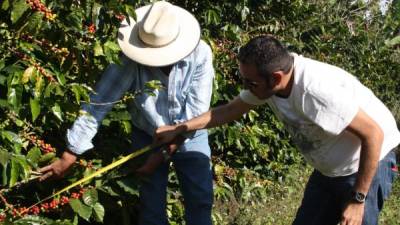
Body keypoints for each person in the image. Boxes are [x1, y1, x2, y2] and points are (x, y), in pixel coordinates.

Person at [154, 35, 400, 225]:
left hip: (368, 161)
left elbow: (373, 134)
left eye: (250, 82)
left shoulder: (316, 91)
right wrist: (180, 128)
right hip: (329, 170)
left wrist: (358, 200)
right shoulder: (270, 84)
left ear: (275, 77)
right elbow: (229, 110)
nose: (246, 87)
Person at [38, 1, 215, 225]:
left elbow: (196, 112)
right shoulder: (133, 58)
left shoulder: (200, 54)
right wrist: (70, 153)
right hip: (147, 133)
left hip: (191, 132)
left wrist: (162, 154)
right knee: (151, 206)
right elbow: (100, 102)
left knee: (199, 198)